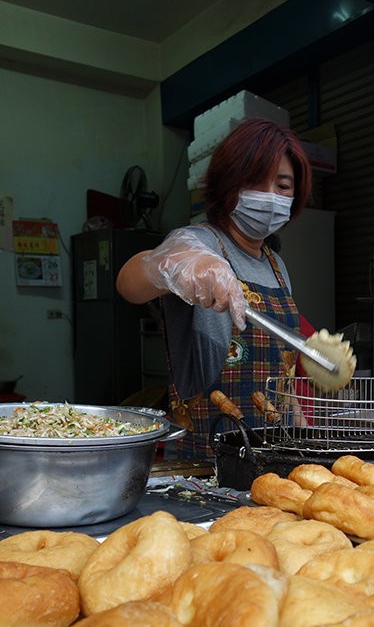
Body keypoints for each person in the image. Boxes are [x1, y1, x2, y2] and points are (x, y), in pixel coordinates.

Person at [116, 118, 313, 461]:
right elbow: (129, 282)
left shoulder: (277, 266)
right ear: (228, 182)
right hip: (207, 463)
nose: (270, 197)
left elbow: (284, 372)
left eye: (282, 185)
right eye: (255, 181)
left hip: (275, 456)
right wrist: (178, 265)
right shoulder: (196, 242)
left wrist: (301, 430)